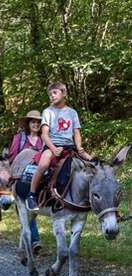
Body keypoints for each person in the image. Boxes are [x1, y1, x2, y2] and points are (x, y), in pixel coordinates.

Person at [26, 82, 92, 211]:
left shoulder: (72, 113)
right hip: (52, 145)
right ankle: (31, 195)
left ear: (64, 93)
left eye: (55, 93)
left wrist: (79, 148)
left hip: (69, 146)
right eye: (50, 94)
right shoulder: (48, 112)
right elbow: (44, 134)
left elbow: (76, 133)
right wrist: (53, 148)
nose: (52, 96)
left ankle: (94, 196)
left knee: (93, 162)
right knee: (43, 164)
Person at [9, 110, 44, 253]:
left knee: (30, 211)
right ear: (28, 124)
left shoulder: (45, 138)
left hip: (40, 179)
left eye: (38, 122)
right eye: (33, 122)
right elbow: (12, 157)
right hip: (22, 179)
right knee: (28, 208)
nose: (36, 124)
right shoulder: (20, 138)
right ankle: (34, 241)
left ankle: (24, 243)